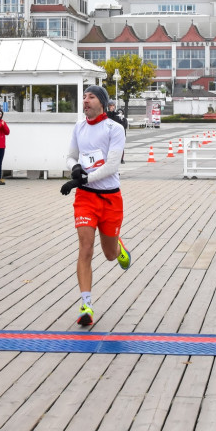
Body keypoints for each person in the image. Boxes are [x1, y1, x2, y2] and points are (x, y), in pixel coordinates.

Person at [60, 85, 132, 326]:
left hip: (110, 198)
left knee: (110, 255)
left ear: (102, 102)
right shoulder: (78, 127)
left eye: (91, 97)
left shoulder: (115, 128)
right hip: (85, 198)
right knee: (85, 248)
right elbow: (71, 155)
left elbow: (112, 166)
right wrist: (75, 168)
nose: (86, 100)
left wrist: (84, 177)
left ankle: (118, 247)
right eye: (84, 97)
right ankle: (86, 305)